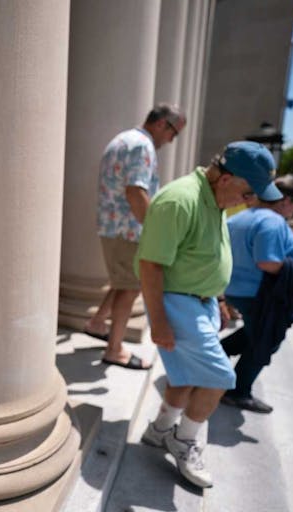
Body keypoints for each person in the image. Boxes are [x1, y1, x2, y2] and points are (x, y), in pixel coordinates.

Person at [137, 141, 281, 488]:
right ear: (227, 178)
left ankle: (159, 430)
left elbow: (205, 254)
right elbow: (150, 265)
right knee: (218, 378)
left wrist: (216, 296)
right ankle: (183, 440)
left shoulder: (215, 197)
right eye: (248, 193)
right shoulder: (180, 199)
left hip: (197, 300)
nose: (249, 202)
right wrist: (157, 321)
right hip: (178, 301)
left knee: (187, 373)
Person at [84, 103, 186, 370]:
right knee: (129, 287)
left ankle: (97, 323)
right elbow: (135, 193)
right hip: (127, 229)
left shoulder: (123, 139)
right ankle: (114, 350)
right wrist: (156, 233)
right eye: (174, 133)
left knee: (122, 282)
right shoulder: (142, 146)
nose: (172, 140)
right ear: (163, 124)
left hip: (115, 226)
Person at [220, 176, 293, 413]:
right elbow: (267, 262)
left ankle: (217, 356)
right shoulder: (271, 222)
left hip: (235, 289)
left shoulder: (242, 216)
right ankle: (238, 391)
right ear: (285, 200)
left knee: (257, 332)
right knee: (266, 339)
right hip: (258, 294)